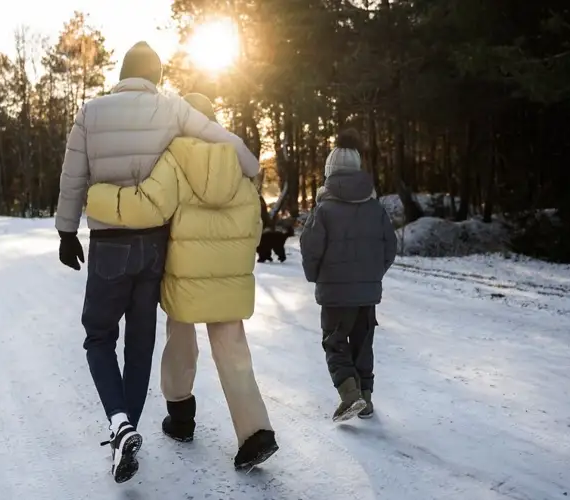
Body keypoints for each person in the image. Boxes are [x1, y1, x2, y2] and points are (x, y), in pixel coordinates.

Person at [55, 43, 260, 483]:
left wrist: (66, 231)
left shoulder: (91, 112)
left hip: (109, 243)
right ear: (157, 78)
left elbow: (72, 176)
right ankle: (126, 430)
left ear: (122, 74)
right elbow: (220, 138)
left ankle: (120, 424)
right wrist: (251, 166)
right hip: (153, 245)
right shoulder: (170, 108)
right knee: (140, 342)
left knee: (99, 336)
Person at [85, 93, 277, 470]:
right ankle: (256, 433)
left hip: (183, 274)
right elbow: (255, 223)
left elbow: (147, 205)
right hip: (228, 275)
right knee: (233, 351)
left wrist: (97, 197)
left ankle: (181, 416)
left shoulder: (175, 157)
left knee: (180, 342)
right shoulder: (237, 160)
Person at [299, 129, 397, 422]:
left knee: (335, 342)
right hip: (367, 293)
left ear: (329, 171)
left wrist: (316, 276)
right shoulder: (375, 207)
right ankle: (366, 399)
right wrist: (371, 275)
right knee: (363, 345)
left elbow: (310, 248)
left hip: (335, 293)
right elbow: (389, 247)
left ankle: (350, 394)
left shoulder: (324, 208)